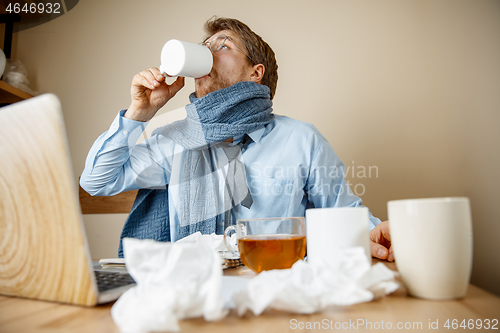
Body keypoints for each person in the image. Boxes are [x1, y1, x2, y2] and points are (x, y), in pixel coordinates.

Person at [80, 17, 393, 262]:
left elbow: (342, 213)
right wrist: (139, 112)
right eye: (205, 47)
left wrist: (374, 233)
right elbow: (97, 181)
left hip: (277, 289)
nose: (207, 53)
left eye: (223, 46)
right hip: (193, 295)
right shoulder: (175, 140)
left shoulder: (300, 140)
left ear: (256, 73)